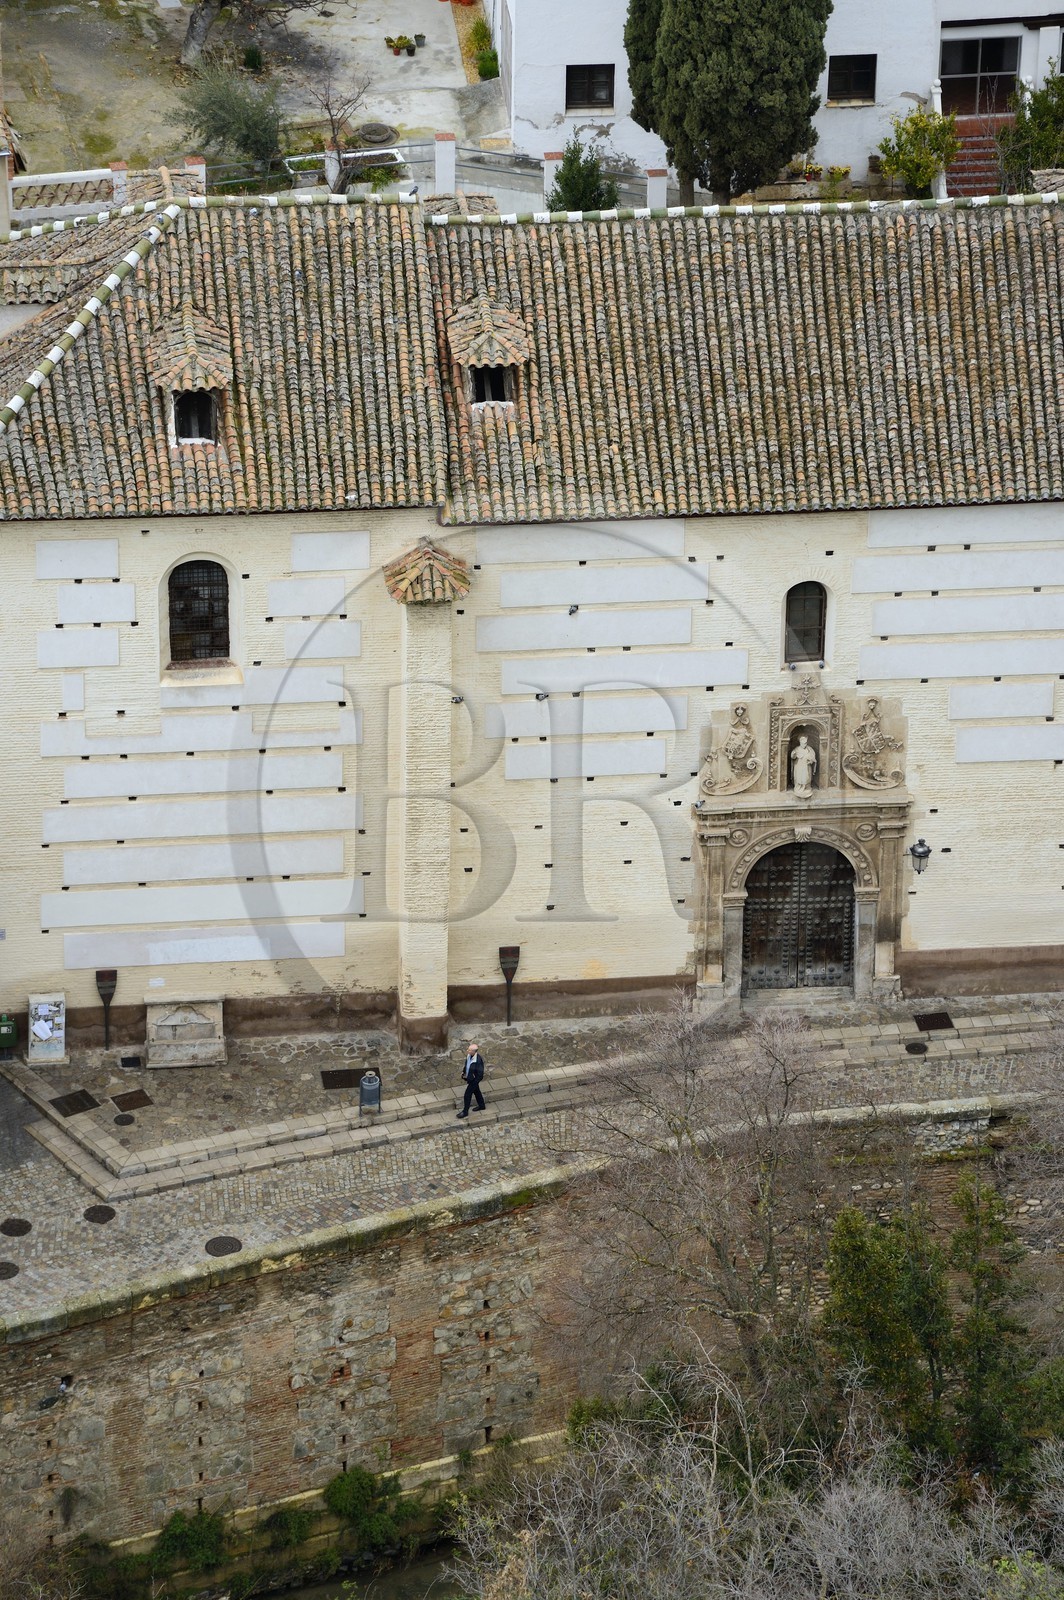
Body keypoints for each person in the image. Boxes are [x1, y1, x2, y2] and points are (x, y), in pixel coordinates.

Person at [458, 1043, 486, 1118]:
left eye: (469, 1050)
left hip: (474, 1080)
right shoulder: (469, 1056)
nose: (467, 1051)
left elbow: (480, 1074)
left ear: (474, 1051)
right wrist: (464, 1072)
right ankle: (482, 1105)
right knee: (477, 1092)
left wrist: (475, 1082)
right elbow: (467, 1065)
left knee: (467, 1095)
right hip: (470, 1078)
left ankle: (465, 1111)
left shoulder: (478, 1060)